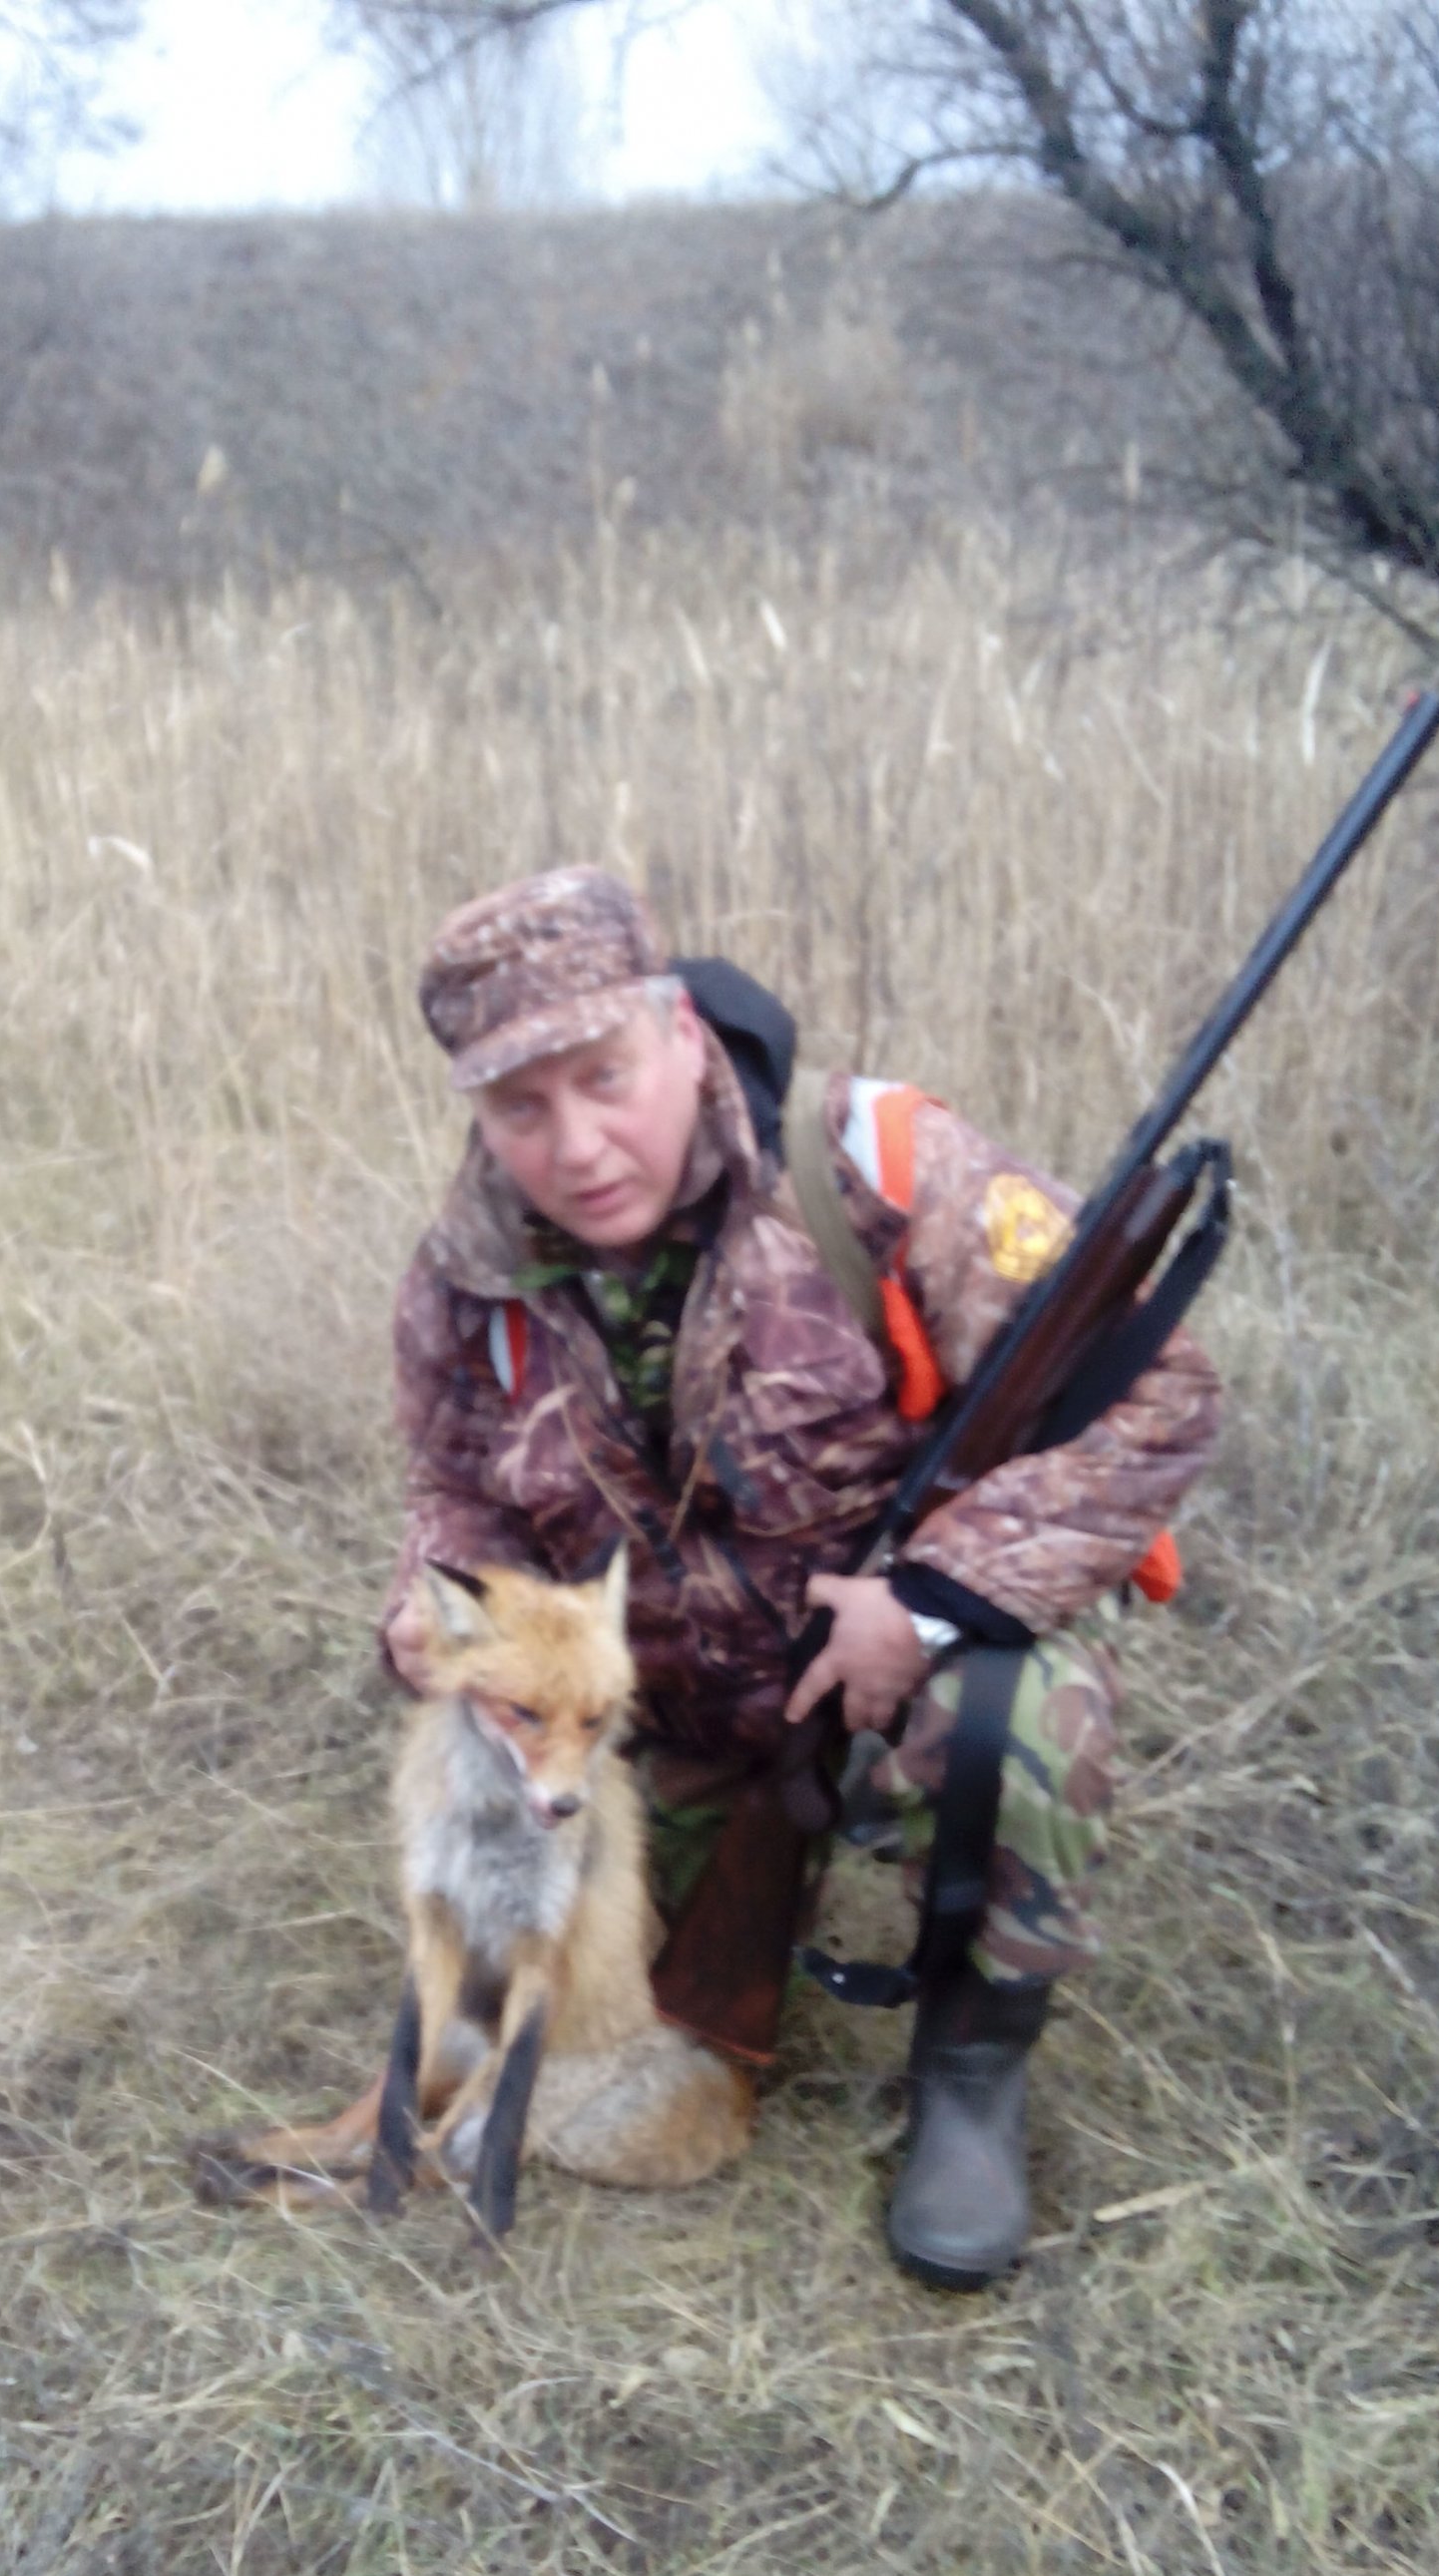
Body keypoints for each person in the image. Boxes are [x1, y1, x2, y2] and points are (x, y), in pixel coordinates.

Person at [382, 864, 1221, 2290]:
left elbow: (1161, 1395)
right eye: (520, 1109)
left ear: (678, 1031)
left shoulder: (879, 1168)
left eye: (605, 1078)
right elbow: (455, 1496)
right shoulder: (468, 1276)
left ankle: (970, 2071)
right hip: (664, 1721)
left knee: (1012, 1715)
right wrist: (431, 1611)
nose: (577, 1145)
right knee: (603, 2066)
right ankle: (723, 1890)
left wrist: (933, 1602)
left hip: (897, 1668)